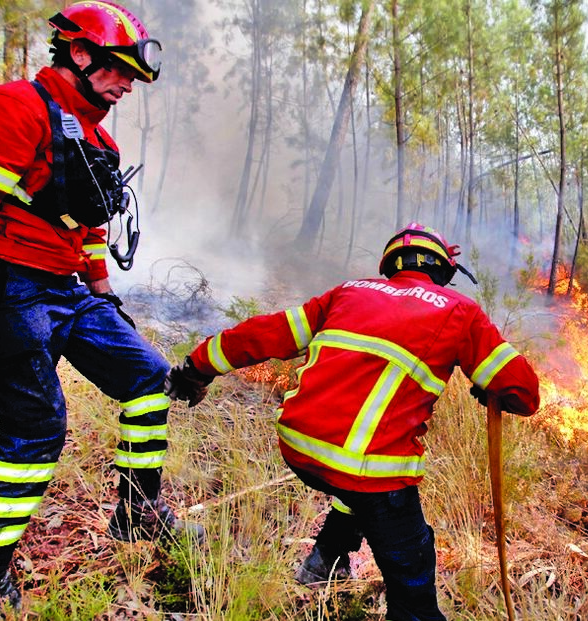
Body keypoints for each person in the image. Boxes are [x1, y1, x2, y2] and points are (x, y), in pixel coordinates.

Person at [165, 222, 540, 620]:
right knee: (411, 560)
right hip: (364, 467)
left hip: (298, 446)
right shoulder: (459, 310)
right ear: (443, 270)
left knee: (354, 484)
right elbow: (525, 393)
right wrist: (492, 390)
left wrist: (195, 368)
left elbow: (264, 334)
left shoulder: (348, 291)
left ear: (391, 264)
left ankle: (325, 559)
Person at [0, 1, 203, 614]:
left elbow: (85, 227)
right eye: (120, 71)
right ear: (80, 54)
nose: (127, 87)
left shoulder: (96, 136)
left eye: (134, 78)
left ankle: (139, 511)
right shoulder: (14, 107)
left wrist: (103, 294)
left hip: (68, 289)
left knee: (149, 379)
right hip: (10, 283)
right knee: (37, 426)